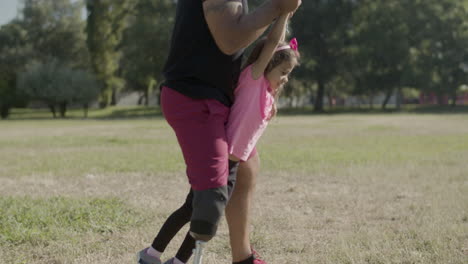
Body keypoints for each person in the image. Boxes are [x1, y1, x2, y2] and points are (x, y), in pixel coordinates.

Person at [137, 0, 301, 264]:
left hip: (226, 131)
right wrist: (280, 9)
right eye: (283, 72)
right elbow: (236, 40)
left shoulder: (268, 93)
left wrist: (284, 12)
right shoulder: (256, 78)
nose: (285, 78)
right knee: (205, 207)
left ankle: (226, 258)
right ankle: (151, 255)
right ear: (269, 64)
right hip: (196, 96)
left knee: (221, 193)